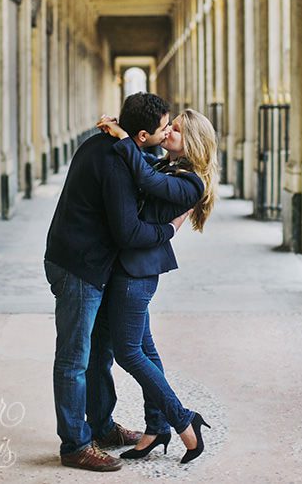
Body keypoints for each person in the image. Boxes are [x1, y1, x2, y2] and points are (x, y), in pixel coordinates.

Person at [44, 92, 188, 472]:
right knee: (75, 358)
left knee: (100, 354)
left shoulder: (113, 146)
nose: (169, 131)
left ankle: (102, 426)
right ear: (141, 135)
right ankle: (75, 444)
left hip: (95, 264)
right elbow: (128, 232)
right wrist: (168, 231)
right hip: (79, 265)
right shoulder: (115, 163)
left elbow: (150, 166)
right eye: (164, 128)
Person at [95, 108, 219, 464]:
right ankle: (155, 428)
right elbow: (146, 168)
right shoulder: (168, 165)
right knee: (146, 351)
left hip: (137, 274)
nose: (168, 133)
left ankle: (183, 420)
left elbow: (146, 181)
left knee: (128, 353)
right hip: (130, 267)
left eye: (175, 130)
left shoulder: (192, 181)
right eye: (169, 127)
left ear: (192, 140)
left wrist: (122, 137)